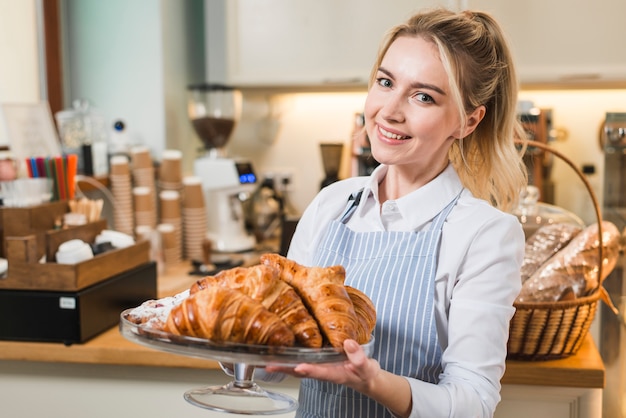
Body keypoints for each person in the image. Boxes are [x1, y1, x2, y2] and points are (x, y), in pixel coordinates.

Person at [271, 7, 529, 418]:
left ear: (467, 121)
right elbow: (278, 349)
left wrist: (372, 381)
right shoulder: (332, 204)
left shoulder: (485, 234)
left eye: (423, 96)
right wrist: (233, 339)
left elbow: (473, 403)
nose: (389, 111)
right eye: (386, 82)